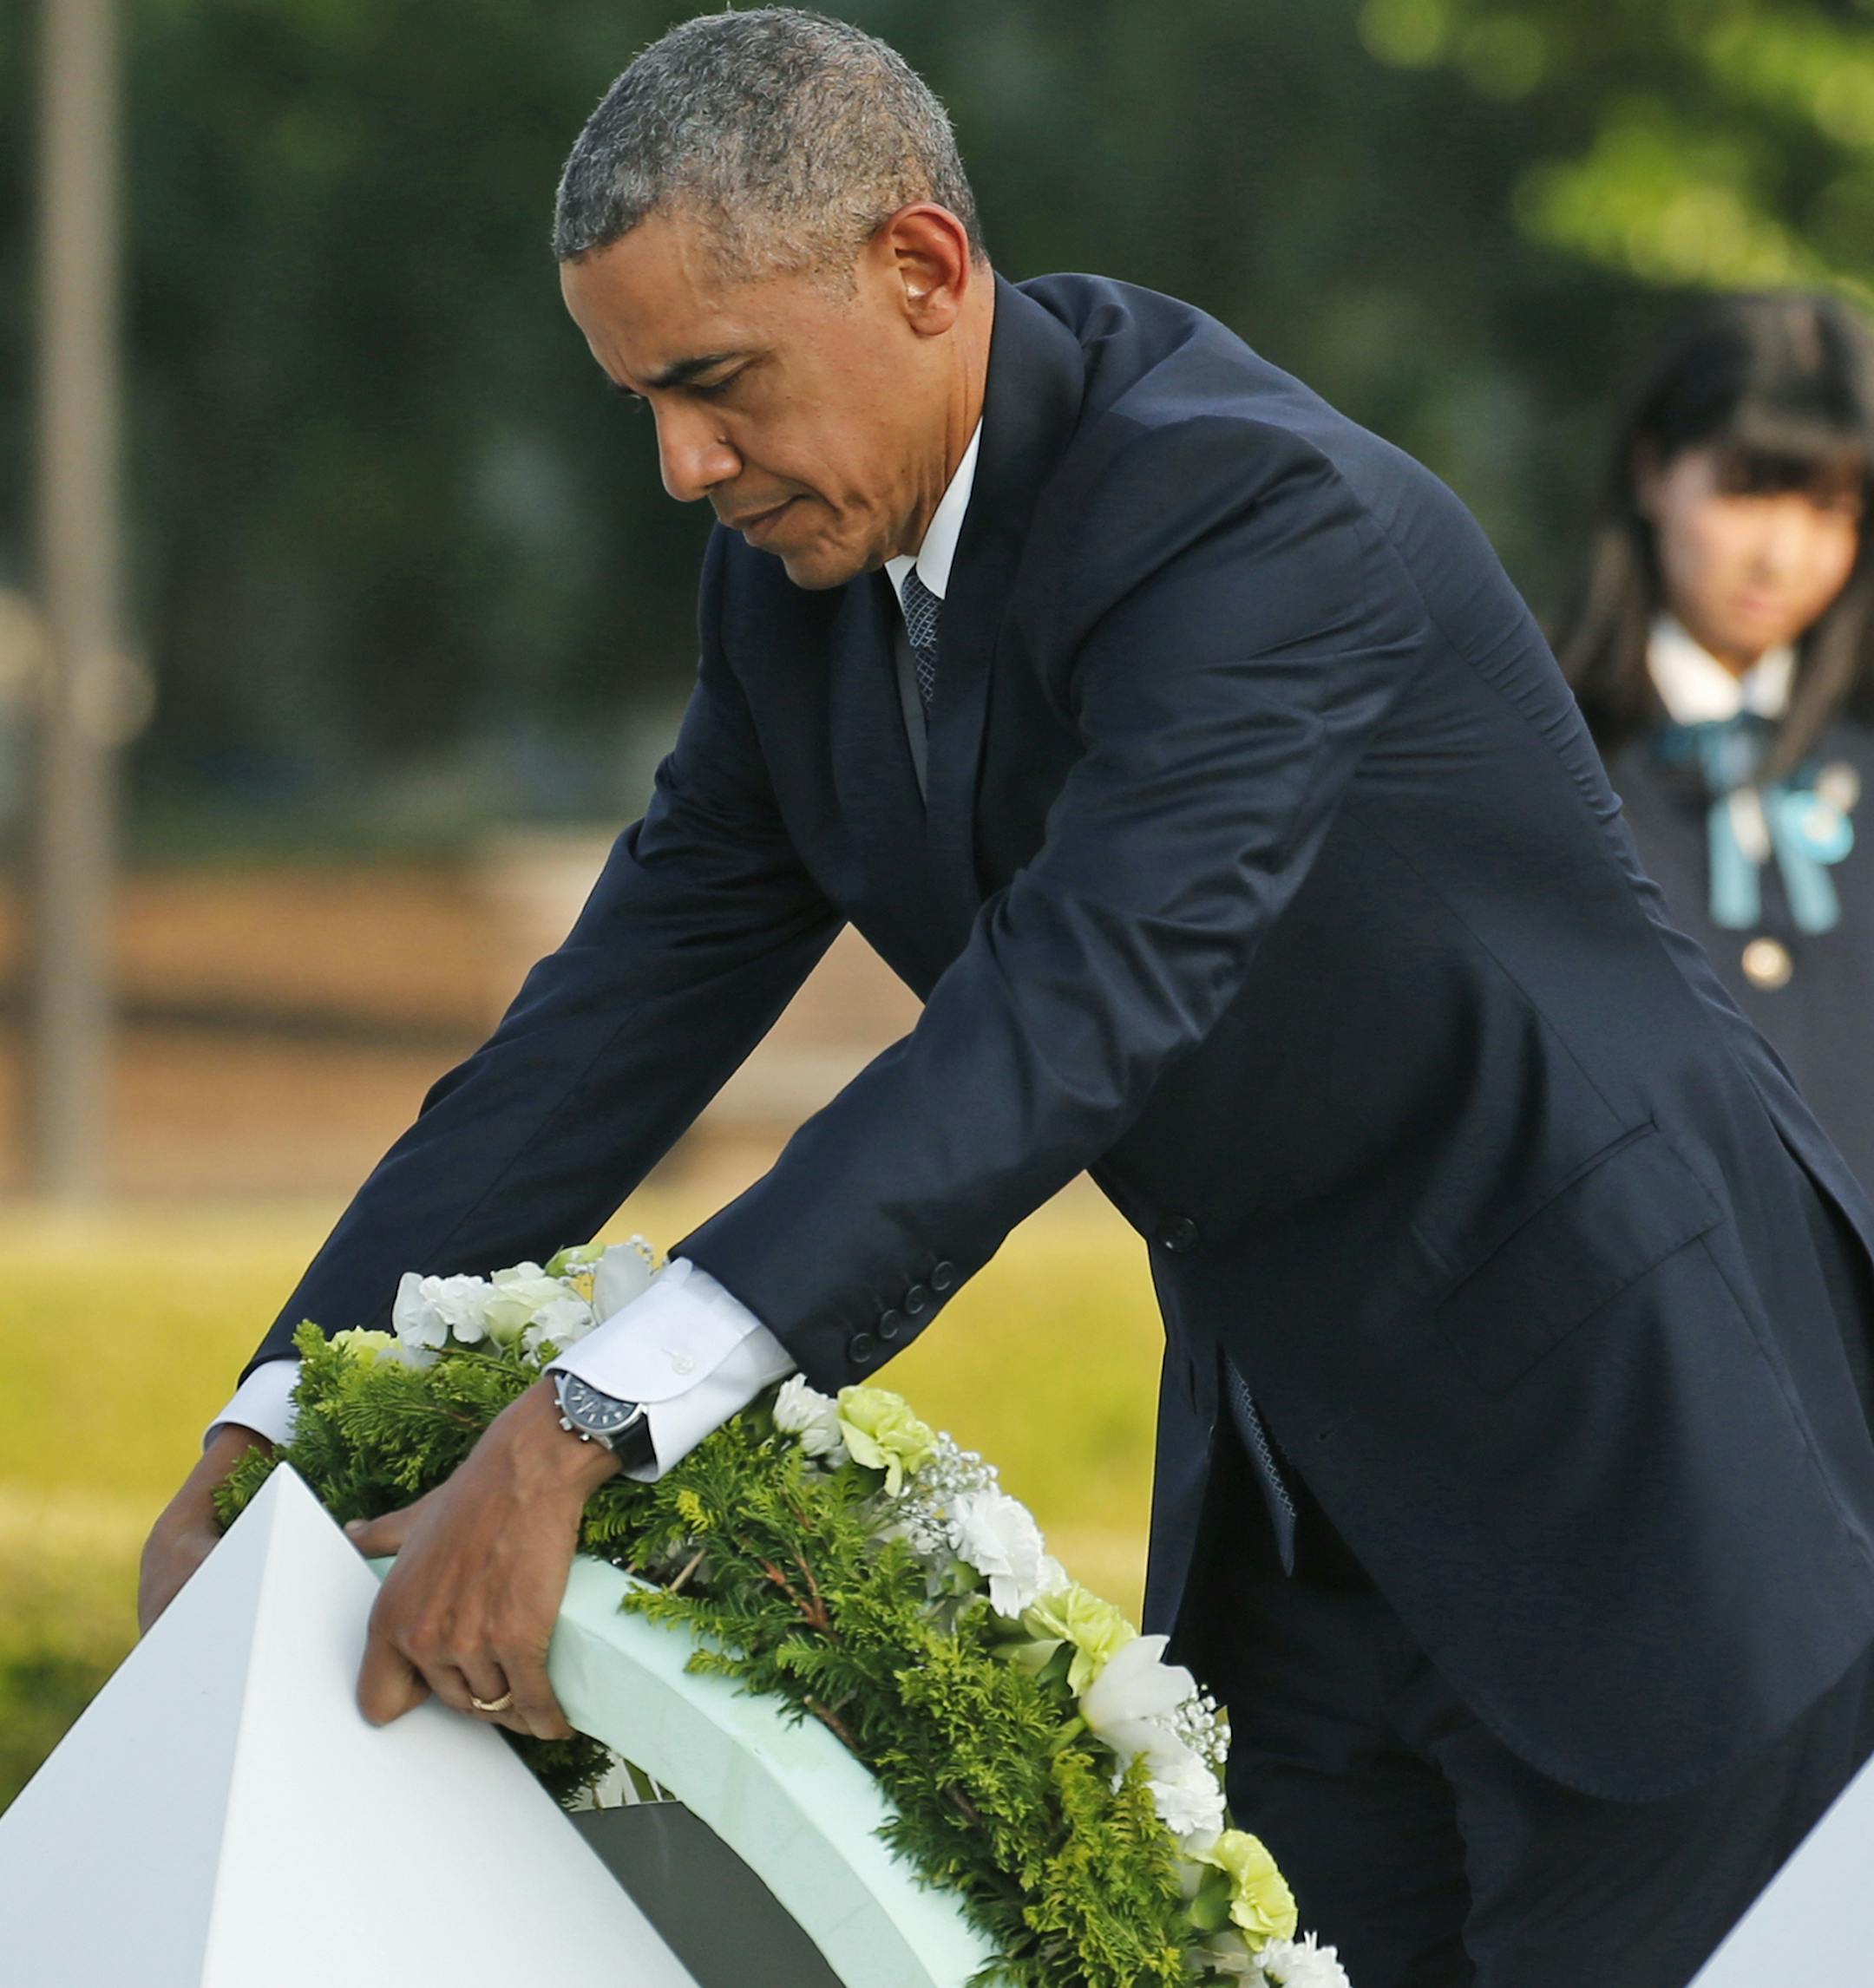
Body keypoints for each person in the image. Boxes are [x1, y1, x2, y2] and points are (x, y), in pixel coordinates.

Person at [136, 14, 1874, 1986]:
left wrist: (580, 1425)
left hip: (1643, 1451)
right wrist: (271, 1422)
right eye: (636, 399)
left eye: (712, 384)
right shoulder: (785, 590)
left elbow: (1073, 1003)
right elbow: (602, 1023)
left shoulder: (1248, 515)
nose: (680, 463)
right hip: (1299, 1508)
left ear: (920, 269)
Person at [1560, 291, 1874, 1193]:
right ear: (1654, 470)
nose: (1784, 554)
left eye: (1831, 508)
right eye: (1749, 490)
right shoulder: (1544, 757)